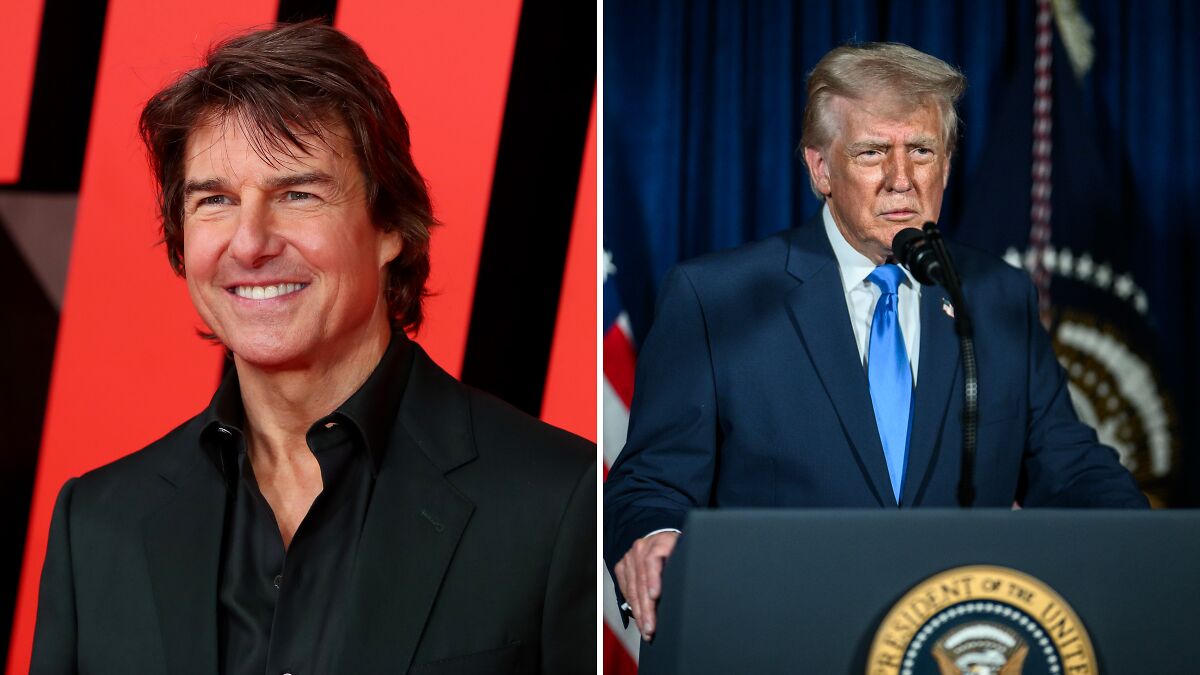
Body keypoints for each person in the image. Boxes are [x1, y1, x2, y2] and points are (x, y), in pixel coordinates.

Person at [31, 22, 595, 674]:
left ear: (390, 228)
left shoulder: (555, 502)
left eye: (296, 193)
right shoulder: (96, 524)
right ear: (183, 244)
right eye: (215, 200)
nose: (250, 243)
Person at [603, 42, 1146, 641]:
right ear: (820, 169)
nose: (901, 180)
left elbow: (1069, 468)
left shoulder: (997, 297)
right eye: (872, 153)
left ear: (946, 163)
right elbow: (651, 481)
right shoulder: (715, 297)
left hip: (951, 639)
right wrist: (655, 539)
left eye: (922, 150)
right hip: (779, 638)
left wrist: (1152, 550)